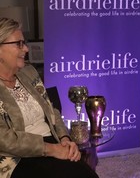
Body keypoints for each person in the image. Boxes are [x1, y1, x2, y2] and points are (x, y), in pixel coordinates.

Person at [0, 17, 99, 178]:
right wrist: (51, 150)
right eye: (18, 44)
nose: (26, 49)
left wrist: (65, 139)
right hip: (15, 157)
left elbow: (51, 110)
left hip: (50, 141)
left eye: (24, 43)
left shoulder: (29, 72)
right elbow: (3, 139)